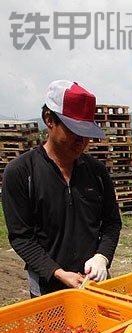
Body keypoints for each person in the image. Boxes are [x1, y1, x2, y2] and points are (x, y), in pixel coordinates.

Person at [2, 80, 122, 297]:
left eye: (86, 132)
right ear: (49, 120)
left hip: (93, 283)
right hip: (47, 287)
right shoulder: (20, 173)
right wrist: (57, 272)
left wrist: (102, 257)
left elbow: (112, 223)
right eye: (74, 131)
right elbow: (21, 237)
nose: (82, 141)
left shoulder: (96, 172)